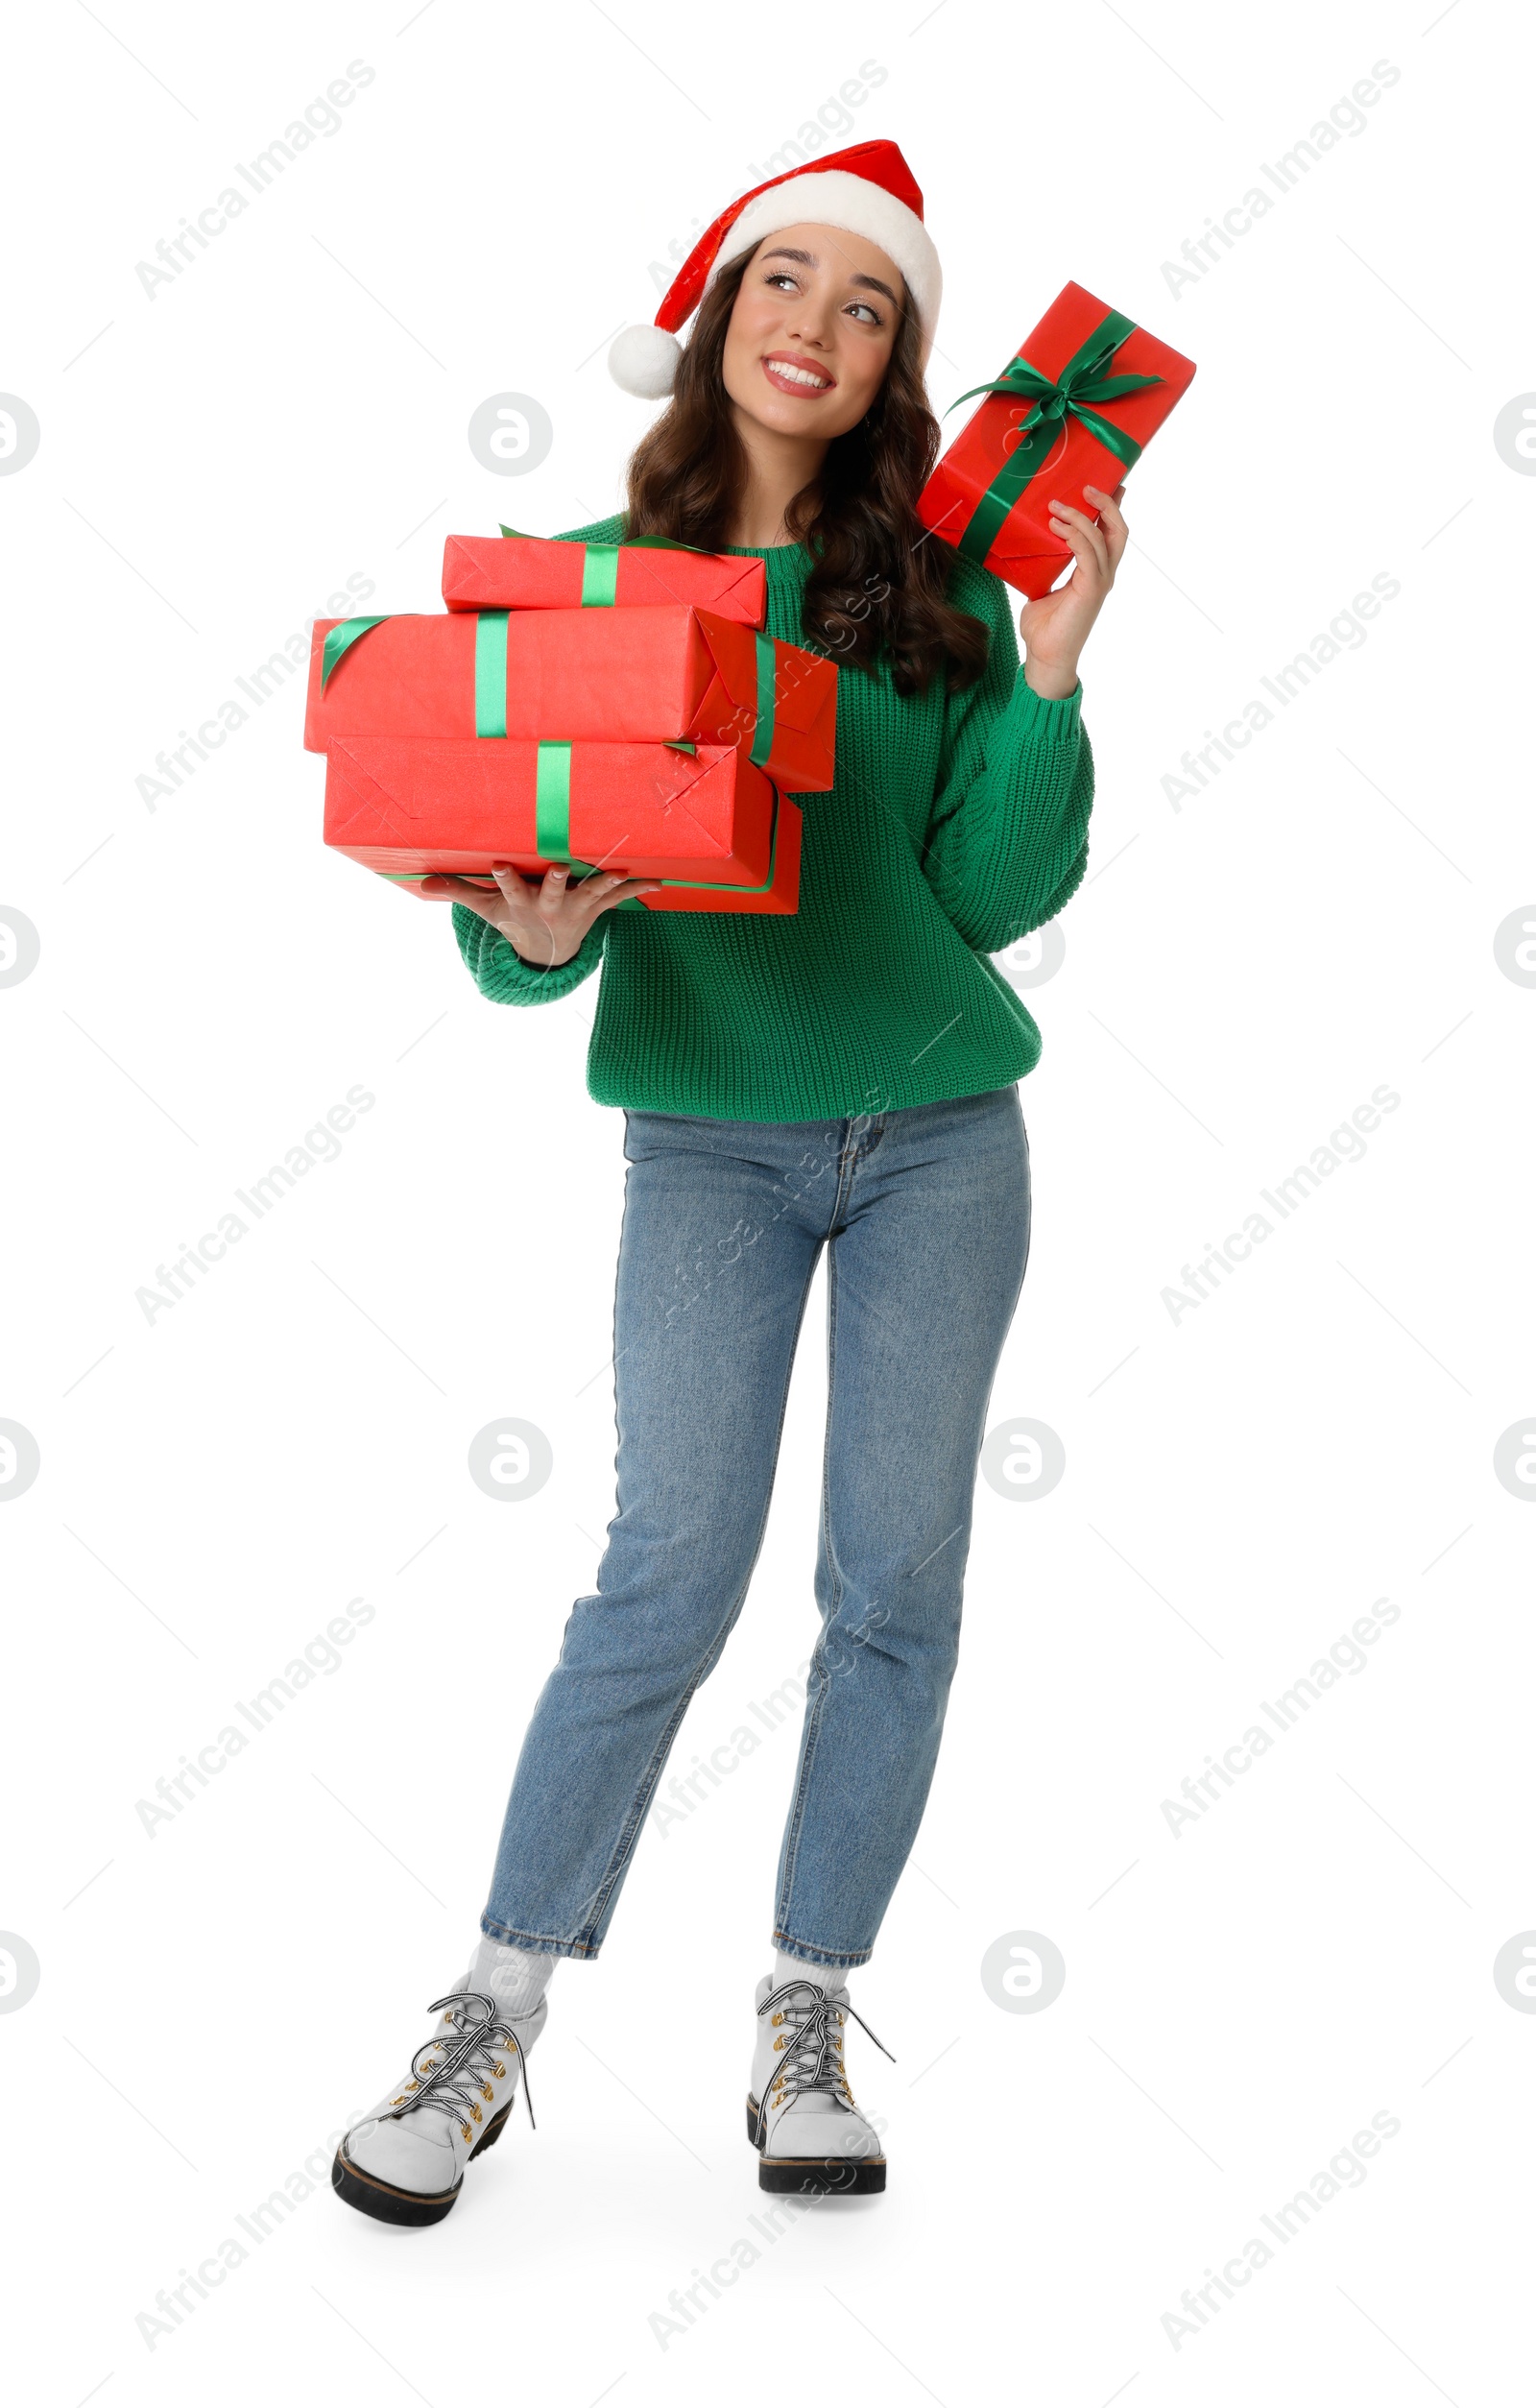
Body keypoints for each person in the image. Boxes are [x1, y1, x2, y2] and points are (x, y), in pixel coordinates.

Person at [331, 138, 1126, 2227]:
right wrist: (523, 928)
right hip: (706, 1139)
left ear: (892, 368)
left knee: (892, 1587)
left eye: (869, 307)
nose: (819, 324)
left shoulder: (935, 594)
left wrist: (1043, 677)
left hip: (941, 1136)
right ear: (717, 320)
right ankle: (492, 2008)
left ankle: (803, 2005)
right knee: (664, 1580)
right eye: (788, 280)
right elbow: (524, 928)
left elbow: (987, 889)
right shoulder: (582, 583)